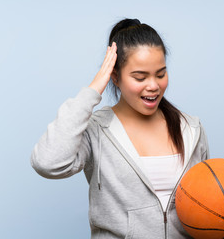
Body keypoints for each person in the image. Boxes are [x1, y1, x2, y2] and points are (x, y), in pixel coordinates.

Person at [30, 18, 210, 238]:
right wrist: (93, 89)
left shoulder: (190, 129)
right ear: (115, 76)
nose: (153, 85)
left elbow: (207, 205)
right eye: (140, 77)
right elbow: (48, 163)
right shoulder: (96, 130)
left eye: (161, 74)